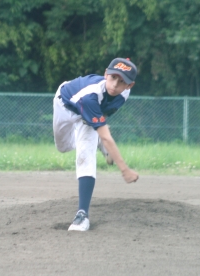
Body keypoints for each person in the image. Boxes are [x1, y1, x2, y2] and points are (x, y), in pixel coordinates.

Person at [53, 57, 139, 231]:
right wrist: (125, 170)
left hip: (89, 115)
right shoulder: (90, 96)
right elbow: (107, 135)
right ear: (106, 74)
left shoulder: (124, 93)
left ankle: (82, 215)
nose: (115, 85)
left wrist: (99, 128)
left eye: (122, 82)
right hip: (66, 105)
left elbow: (105, 112)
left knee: (85, 155)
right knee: (63, 147)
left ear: (129, 86)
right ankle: (98, 139)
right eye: (113, 77)